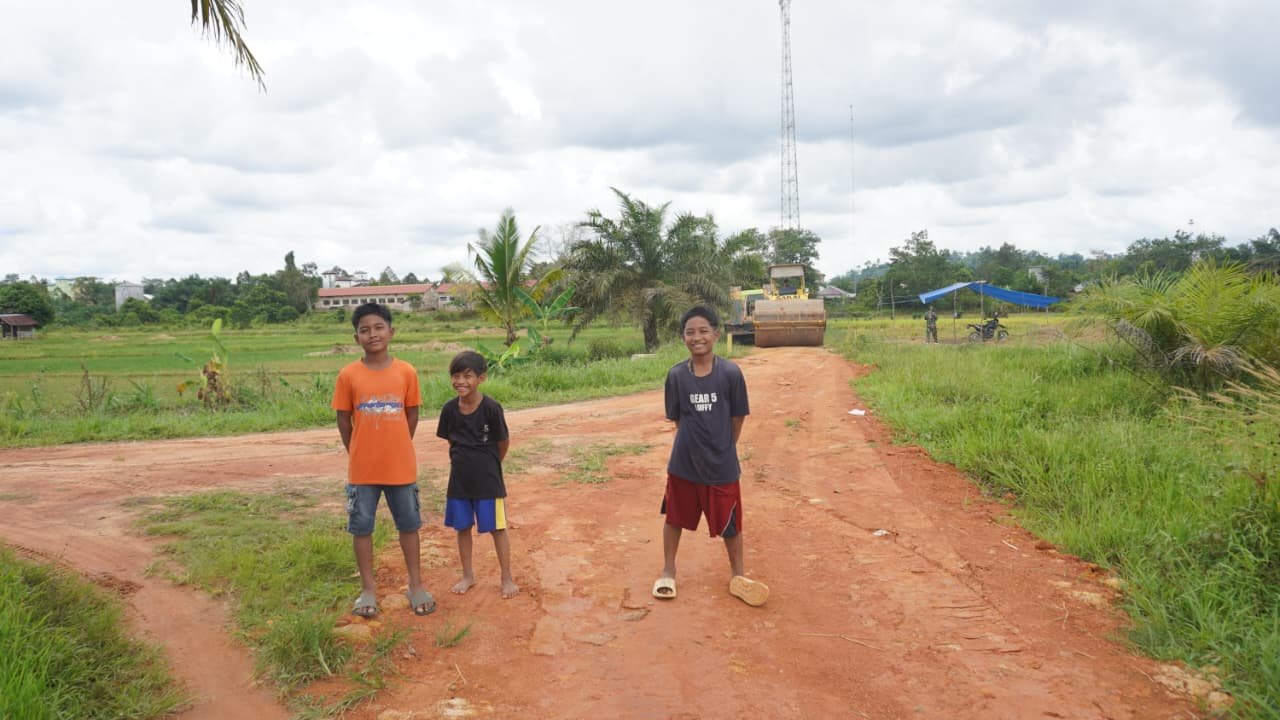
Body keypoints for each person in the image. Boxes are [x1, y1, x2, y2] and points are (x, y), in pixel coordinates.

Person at [653, 305, 769, 607]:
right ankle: (668, 571)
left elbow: (737, 417)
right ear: (683, 337)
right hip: (684, 464)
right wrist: (694, 447)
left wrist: (723, 447)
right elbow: (678, 420)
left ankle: (738, 576)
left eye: (703, 331)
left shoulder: (730, 373)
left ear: (716, 334)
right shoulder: (676, 376)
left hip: (722, 465)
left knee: (730, 523)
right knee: (674, 518)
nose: (697, 337)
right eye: (690, 332)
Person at [331, 302, 435, 617]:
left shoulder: (406, 372)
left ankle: (416, 585)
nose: (372, 334)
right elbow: (343, 419)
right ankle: (368, 590)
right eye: (365, 330)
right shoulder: (348, 375)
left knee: (409, 525)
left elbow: (412, 413)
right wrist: (357, 451)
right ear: (356, 338)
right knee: (361, 528)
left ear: (391, 331)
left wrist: (398, 445)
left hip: (400, 467)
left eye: (378, 327)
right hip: (362, 470)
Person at [436, 350, 519, 599]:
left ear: (481, 378)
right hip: (459, 480)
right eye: (456, 376)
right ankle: (467, 576)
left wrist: (490, 465)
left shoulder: (491, 408)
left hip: (488, 480)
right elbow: (452, 441)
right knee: (462, 528)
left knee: (497, 528)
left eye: (467, 376)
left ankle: (506, 578)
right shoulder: (449, 409)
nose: (461, 381)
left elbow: (503, 442)